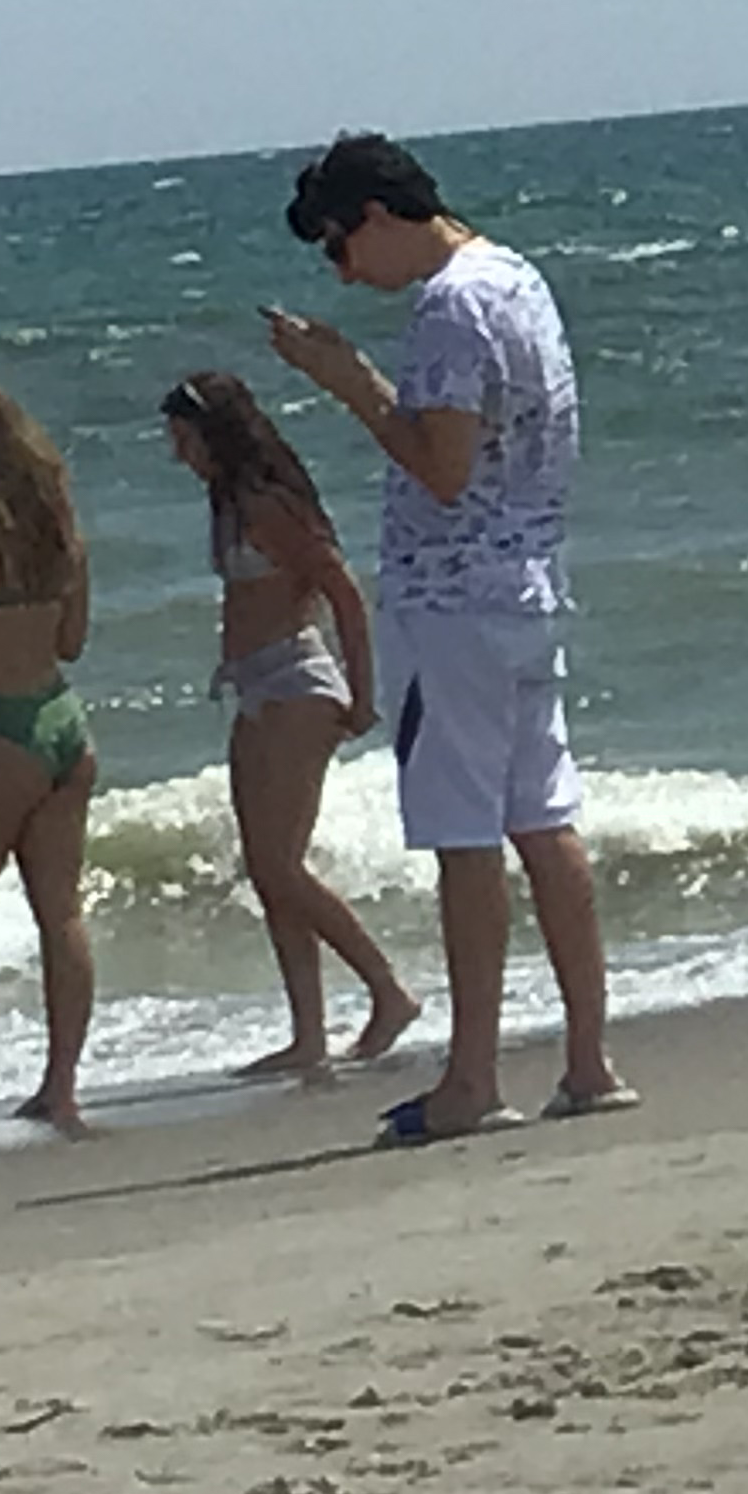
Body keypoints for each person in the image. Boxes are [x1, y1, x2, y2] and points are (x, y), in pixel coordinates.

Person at [267, 133, 634, 1144]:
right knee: (544, 819)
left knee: (465, 836)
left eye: (341, 248)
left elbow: (441, 465)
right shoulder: (516, 278)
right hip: (525, 586)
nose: (344, 272)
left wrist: (347, 380)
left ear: (377, 218)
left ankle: (472, 1079)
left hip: (457, 600)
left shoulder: (447, 304)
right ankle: (587, 1060)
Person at [161, 371, 421, 1078]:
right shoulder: (229, 502)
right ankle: (308, 1032)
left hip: (297, 683)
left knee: (279, 864)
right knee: (269, 868)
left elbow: (342, 591)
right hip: (253, 686)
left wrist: (363, 697)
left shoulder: (265, 505)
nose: (177, 452)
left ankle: (388, 990)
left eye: (183, 437)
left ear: (215, 433)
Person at [0, 383, 98, 1137]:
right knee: (63, 915)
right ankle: (62, 1087)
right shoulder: (62, 536)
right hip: (62, 722)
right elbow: (72, 640)